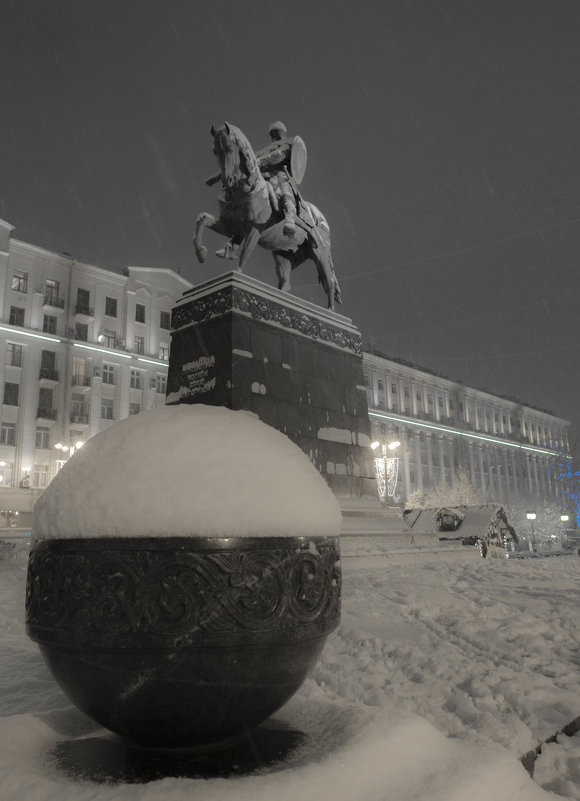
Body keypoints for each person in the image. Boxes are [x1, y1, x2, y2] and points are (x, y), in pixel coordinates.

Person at [214, 121, 302, 259]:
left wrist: (259, 161)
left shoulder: (288, 143)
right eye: (272, 133)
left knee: (284, 191)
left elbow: (279, 155)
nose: (274, 135)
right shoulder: (266, 148)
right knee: (248, 204)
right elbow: (249, 160)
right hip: (263, 177)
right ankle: (233, 246)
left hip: (280, 176)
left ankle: (289, 218)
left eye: (275, 132)